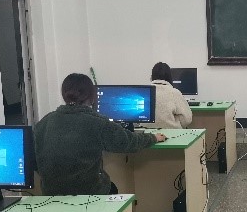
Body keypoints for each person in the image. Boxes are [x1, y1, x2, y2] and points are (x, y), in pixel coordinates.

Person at [34, 73, 166, 196]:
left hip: (51, 193)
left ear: (64, 94)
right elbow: (128, 142)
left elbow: (33, 160)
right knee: (112, 189)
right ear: (92, 96)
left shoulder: (44, 122)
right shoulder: (97, 122)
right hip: (89, 191)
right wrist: (153, 137)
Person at [144, 62, 192, 129]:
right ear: (170, 77)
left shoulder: (144, 92)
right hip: (172, 132)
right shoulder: (174, 93)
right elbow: (187, 119)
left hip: (146, 132)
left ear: (152, 76)